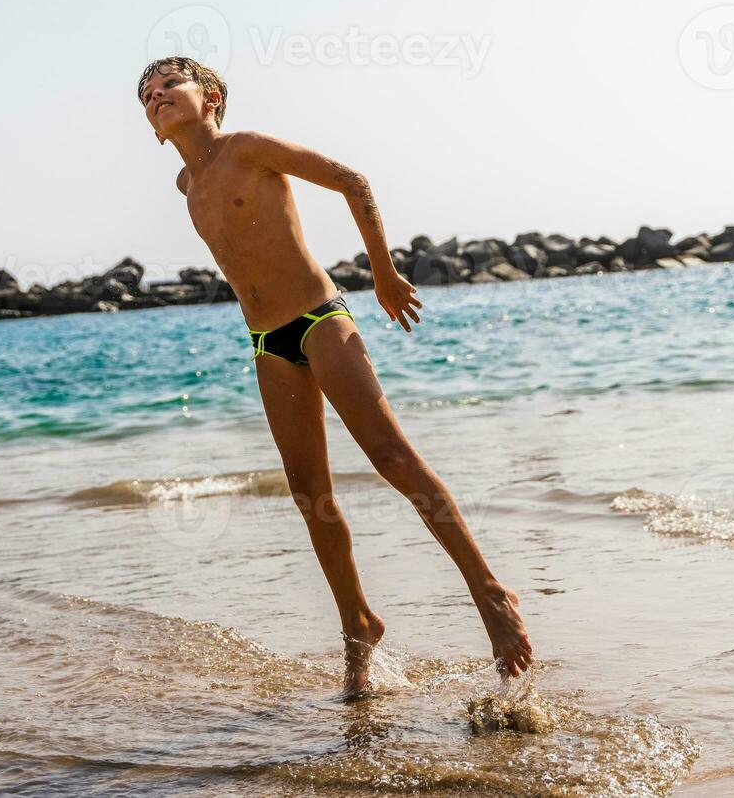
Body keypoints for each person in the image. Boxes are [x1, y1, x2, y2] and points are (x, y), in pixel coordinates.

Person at [136, 57, 533, 698]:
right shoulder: (186, 183)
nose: (156, 97)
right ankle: (358, 626)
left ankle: (489, 592)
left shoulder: (249, 147)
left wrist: (382, 272)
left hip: (321, 317)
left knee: (391, 456)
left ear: (209, 97)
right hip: (267, 341)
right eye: (147, 96)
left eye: (168, 87)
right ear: (153, 128)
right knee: (307, 492)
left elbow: (352, 180)